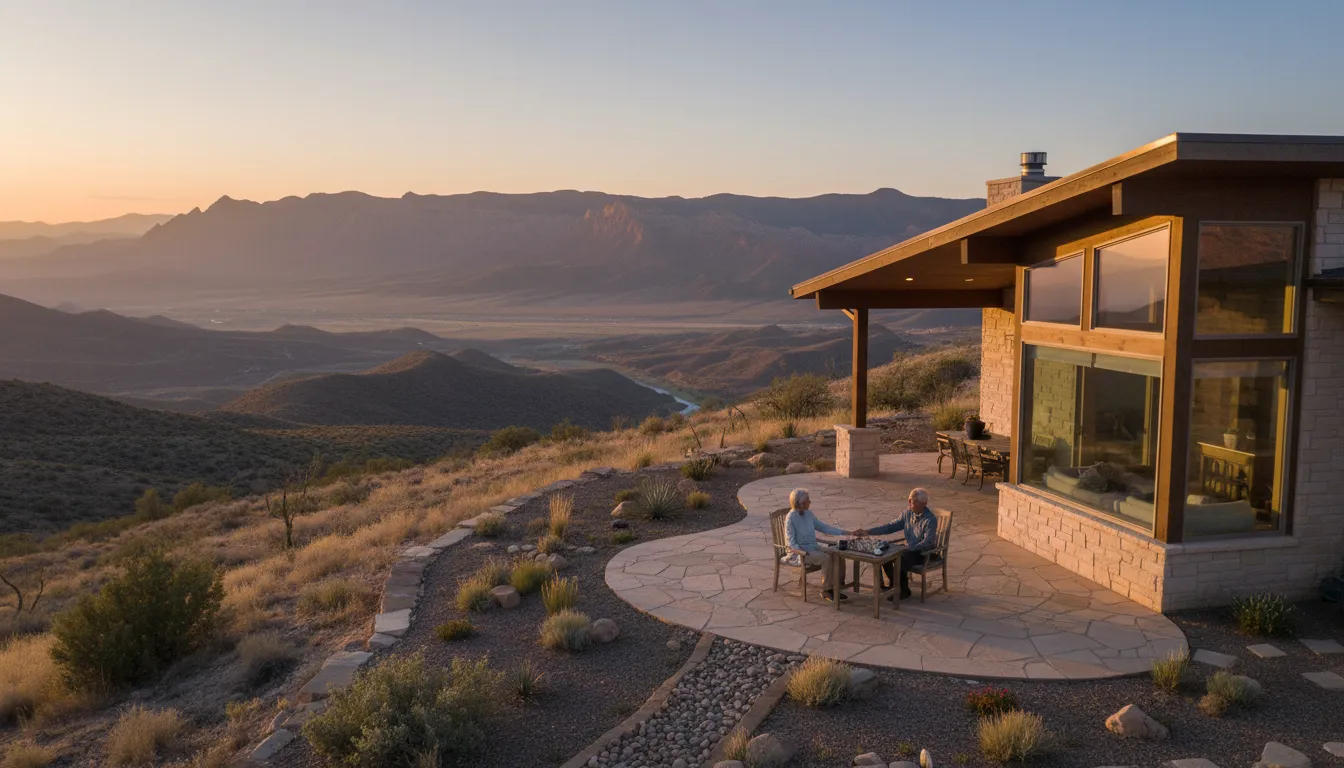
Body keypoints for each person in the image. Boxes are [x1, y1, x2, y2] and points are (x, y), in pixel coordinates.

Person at [854, 487, 939, 600]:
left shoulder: (930, 520)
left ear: (923, 503)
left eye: (912, 502)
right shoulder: (907, 514)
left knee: (902, 558)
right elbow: (890, 527)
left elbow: (928, 542)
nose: (909, 503)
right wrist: (868, 531)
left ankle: (903, 591)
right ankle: (895, 587)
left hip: (924, 553)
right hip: (909, 549)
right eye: (909, 500)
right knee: (886, 555)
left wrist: (909, 548)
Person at [783, 488, 854, 602]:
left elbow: (823, 527)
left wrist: (844, 532)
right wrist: (802, 553)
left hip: (813, 547)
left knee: (838, 553)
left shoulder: (808, 514)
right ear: (800, 503)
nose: (810, 502)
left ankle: (837, 586)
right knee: (826, 558)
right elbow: (791, 542)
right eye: (808, 501)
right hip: (801, 552)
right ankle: (826, 590)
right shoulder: (790, 518)